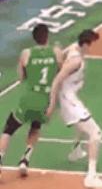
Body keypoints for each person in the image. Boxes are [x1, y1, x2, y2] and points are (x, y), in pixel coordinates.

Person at [47, 30, 102, 189]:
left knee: (82, 125)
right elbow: (56, 80)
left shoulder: (73, 48)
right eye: (91, 45)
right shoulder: (75, 61)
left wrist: (57, 53)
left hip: (70, 97)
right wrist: (52, 104)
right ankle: (91, 176)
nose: (92, 48)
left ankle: (76, 151)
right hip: (68, 100)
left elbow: (59, 59)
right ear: (85, 44)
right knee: (96, 133)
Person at [0, 25, 62, 180]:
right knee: (35, 127)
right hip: (45, 99)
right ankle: (25, 160)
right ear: (47, 36)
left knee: (9, 129)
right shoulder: (56, 52)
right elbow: (60, 72)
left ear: (34, 38)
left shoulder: (26, 53)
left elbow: (21, 77)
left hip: (29, 98)